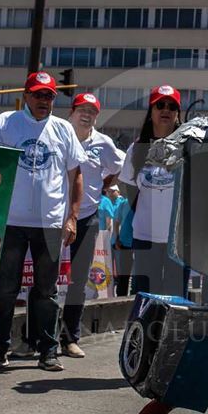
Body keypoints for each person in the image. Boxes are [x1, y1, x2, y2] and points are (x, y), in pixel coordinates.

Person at [0, 71, 86, 372]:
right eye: (38, 94)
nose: (43, 100)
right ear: (26, 95)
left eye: (49, 95)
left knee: (46, 291)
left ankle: (48, 351)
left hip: (50, 223)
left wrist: (72, 217)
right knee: (6, 288)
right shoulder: (5, 123)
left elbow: (76, 176)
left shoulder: (63, 129)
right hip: (11, 221)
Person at [58, 93, 123, 358]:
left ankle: (70, 338)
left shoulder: (103, 143)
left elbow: (118, 166)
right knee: (44, 280)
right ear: (71, 112)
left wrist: (101, 188)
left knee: (77, 280)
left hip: (87, 218)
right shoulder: (58, 133)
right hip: (53, 216)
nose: (87, 115)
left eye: (92, 111)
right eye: (82, 110)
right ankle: (40, 338)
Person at [119, 85, 188, 298]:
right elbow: (129, 190)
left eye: (171, 106)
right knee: (146, 297)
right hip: (145, 237)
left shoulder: (189, 146)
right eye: (160, 105)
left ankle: (172, 333)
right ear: (151, 111)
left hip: (178, 239)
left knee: (175, 298)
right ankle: (147, 333)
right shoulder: (137, 148)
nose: (165, 110)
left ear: (178, 114)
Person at [112, 185, 134, 297]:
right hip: (124, 243)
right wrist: (117, 238)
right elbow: (116, 222)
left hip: (140, 243)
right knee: (124, 275)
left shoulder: (143, 202)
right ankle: (120, 297)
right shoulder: (123, 203)